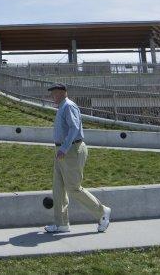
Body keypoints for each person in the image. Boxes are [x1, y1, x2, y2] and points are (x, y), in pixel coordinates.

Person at [45, 83, 111, 234]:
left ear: (62, 93)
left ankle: (102, 212)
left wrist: (64, 148)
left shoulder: (68, 106)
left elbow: (74, 128)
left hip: (71, 150)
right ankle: (61, 224)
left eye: (54, 93)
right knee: (58, 189)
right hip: (61, 150)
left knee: (73, 188)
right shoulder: (62, 106)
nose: (52, 96)